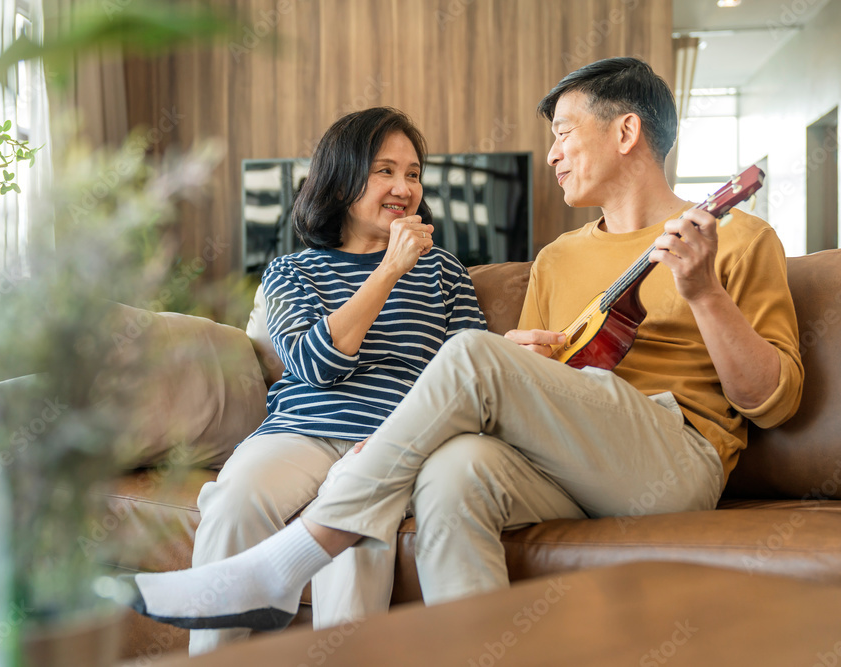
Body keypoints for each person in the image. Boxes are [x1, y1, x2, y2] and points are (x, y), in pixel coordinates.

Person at [124, 57, 804, 632]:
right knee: (452, 473)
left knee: (475, 352)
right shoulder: (558, 258)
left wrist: (704, 292)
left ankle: (291, 556)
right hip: (572, 459)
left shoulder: (738, 238)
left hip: (673, 458)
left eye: (564, 133)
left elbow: (772, 404)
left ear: (627, 130)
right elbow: (543, 380)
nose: (552, 153)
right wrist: (528, 362)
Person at [163, 106, 487, 653]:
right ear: (340, 181)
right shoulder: (294, 271)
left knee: (354, 538)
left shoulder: (446, 272)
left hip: (393, 440)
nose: (403, 188)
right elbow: (315, 365)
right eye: (384, 170)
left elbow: (470, 371)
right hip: (300, 432)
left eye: (412, 174)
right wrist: (388, 271)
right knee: (233, 501)